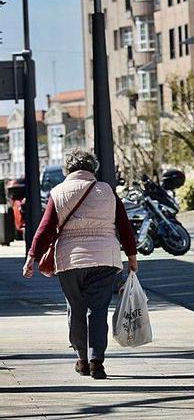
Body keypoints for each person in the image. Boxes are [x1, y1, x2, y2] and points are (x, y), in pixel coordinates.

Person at [22, 149, 138, 379]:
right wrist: (132, 257)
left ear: (68, 169)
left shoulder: (58, 192)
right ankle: (97, 362)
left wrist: (31, 257)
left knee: (75, 308)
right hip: (105, 259)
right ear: (92, 168)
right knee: (98, 310)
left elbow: (45, 228)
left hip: (70, 260)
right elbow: (124, 226)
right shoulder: (107, 192)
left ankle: (81, 360)